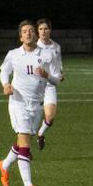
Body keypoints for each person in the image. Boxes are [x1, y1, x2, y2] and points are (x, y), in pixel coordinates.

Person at [0, 20, 61, 186]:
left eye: (31, 31)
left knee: (23, 140)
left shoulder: (48, 55)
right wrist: (5, 84)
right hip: (18, 102)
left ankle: (5, 164)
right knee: (24, 141)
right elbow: (3, 70)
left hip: (36, 104)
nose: (29, 33)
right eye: (25, 31)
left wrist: (47, 75)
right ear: (20, 36)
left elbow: (57, 79)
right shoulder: (14, 54)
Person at [35, 18, 65, 148]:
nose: (43, 31)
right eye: (40, 29)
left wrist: (61, 72)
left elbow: (59, 62)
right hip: (36, 86)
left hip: (50, 85)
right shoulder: (34, 47)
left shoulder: (56, 46)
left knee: (50, 117)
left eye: (45, 28)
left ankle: (40, 134)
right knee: (30, 120)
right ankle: (23, 149)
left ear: (50, 30)